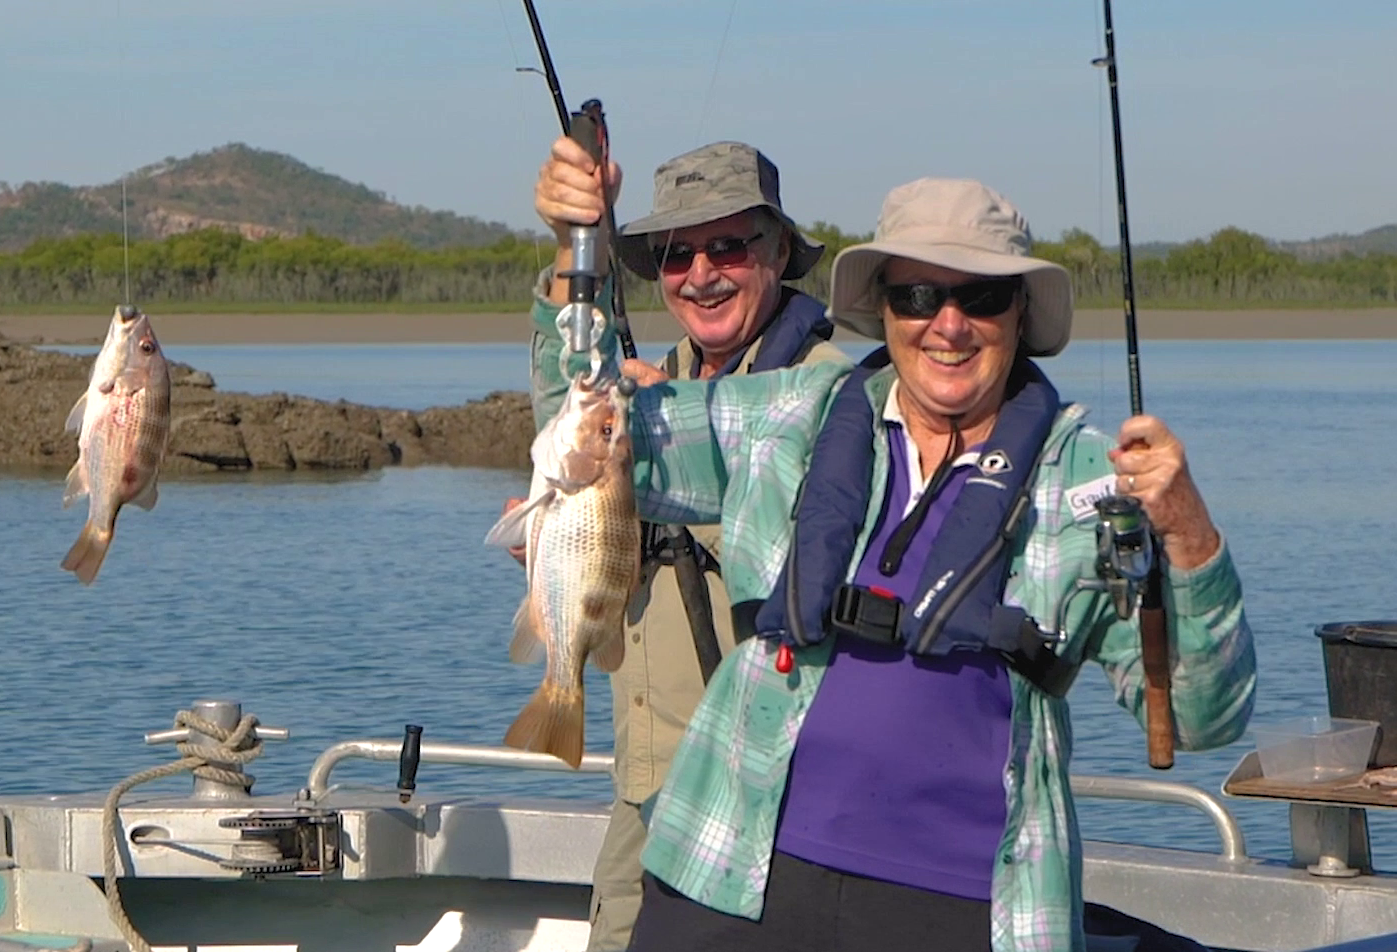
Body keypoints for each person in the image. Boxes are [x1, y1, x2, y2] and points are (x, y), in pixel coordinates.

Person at [530, 168, 1255, 952]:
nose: (947, 324)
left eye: (978, 297)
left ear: (1020, 315)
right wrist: (580, 252)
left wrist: (1190, 536)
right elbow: (588, 433)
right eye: (916, 297)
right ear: (883, 310)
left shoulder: (1086, 481)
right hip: (731, 865)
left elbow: (1201, 715)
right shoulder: (789, 415)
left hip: (967, 904)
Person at [525, 137, 848, 952]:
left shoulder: (829, 390)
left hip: (767, 790)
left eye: (728, 245)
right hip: (645, 786)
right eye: (676, 253)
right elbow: (561, 405)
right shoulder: (637, 382)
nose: (700, 273)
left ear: (778, 251)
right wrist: (572, 246)